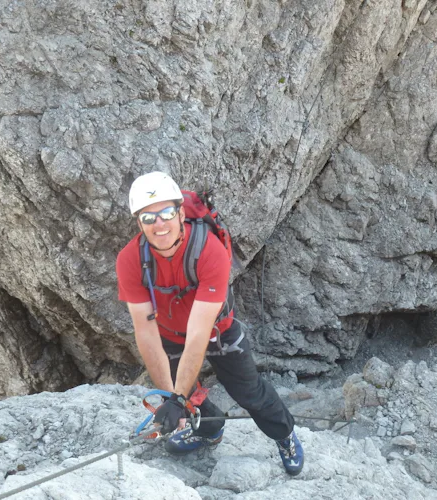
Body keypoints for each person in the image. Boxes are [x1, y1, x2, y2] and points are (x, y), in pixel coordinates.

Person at [116, 171, 304, 475]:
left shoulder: (208, 250)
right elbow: (146, 333)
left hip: (218, 331)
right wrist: (171, 400)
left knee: (249, 393)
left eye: (166, 213)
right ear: (139, 223)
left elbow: (199, 333)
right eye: (149, 218)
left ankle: (285, 435)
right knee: (185, 395)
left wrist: (175, 397)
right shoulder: (130, 261)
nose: (159, 224)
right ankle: (209, 430)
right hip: (169, 334)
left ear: (179, 212)